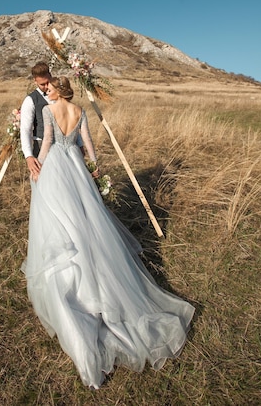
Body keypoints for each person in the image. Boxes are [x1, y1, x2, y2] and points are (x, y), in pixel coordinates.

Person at [22, 76, 195, 389]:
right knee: (89, 219)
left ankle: (75, 283)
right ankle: (96, 270)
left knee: (63, 221)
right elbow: (89, 146)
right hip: (76, 167)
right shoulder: (80, 112)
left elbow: (46, 142)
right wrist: (93, 166)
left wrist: (40, 170)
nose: (47, 92)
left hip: (58, 168)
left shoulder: (50, 111)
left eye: (50, 88)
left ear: (57, 90)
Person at [20, 62, 52, 178]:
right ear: (35, 81)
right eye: (42, 84)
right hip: (41, 148)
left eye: (48, 82)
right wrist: (28, 156)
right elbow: (25, 130)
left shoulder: (59, 95)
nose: (47, 86)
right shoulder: (30, 100)